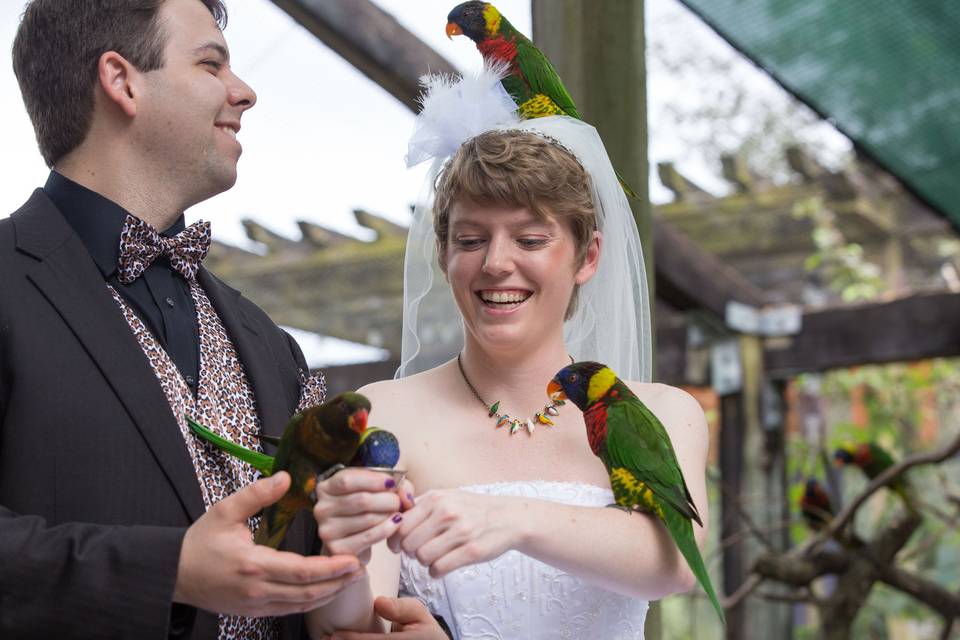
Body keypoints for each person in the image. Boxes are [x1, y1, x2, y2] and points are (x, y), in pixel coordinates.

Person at [0, 1, 406, 637]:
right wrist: (171, 572)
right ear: (122, 80)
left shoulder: (270, 345)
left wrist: (351, 575)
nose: (244, 92)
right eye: (211, 63)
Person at [312, 69, 711, 639]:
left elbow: (678, 561)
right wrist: (342, 553)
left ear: (587, 256)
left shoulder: (666, 412)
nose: (496, 264)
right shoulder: (381, 414)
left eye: (529, 239)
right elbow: (352, 624)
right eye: (471, 240)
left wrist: (512, 518)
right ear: (445, 253)